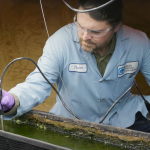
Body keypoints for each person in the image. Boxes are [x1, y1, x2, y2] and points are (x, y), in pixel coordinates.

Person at [1, 0, 150, 132]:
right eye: (79, 25)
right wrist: (13, 100)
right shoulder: (59, 42)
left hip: (125, 119)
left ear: (116, 27)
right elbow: (37, 84)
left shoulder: (139, 42)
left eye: (95, 31)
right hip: (71, 123)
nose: (85, 36)